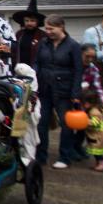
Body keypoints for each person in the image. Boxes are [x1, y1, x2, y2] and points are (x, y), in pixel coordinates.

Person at [33, 14, 84, 170]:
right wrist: (34, 77)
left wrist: (75, 93)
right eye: (46, 28)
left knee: (66, 124)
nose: (48, 31)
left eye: (51, 28)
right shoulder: (43, 43)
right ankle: (41, 157)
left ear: (61, 27)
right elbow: (37, 63)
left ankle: (65, 157)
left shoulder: (73, 46)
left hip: (64, 91)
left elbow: (78, 70)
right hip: (44, 89)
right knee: (41, 124)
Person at [11, 0, 46, 68]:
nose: (29, 23)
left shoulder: (43, 36)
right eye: (27, 21)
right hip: (19, 70)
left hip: (36, 71)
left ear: (37, 22)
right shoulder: (19, 34)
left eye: (32, 21)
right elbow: (14, 52)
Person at [82, 88, 103, 173]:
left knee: (97, 152)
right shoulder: (99, 108)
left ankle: (102, 163)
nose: (83, 105)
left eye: (85, 103)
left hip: (97, 136)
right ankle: (99, 163)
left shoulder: (94, 112)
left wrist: (86, 121)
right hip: (101, 135)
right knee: (97, 151)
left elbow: (95, 122)